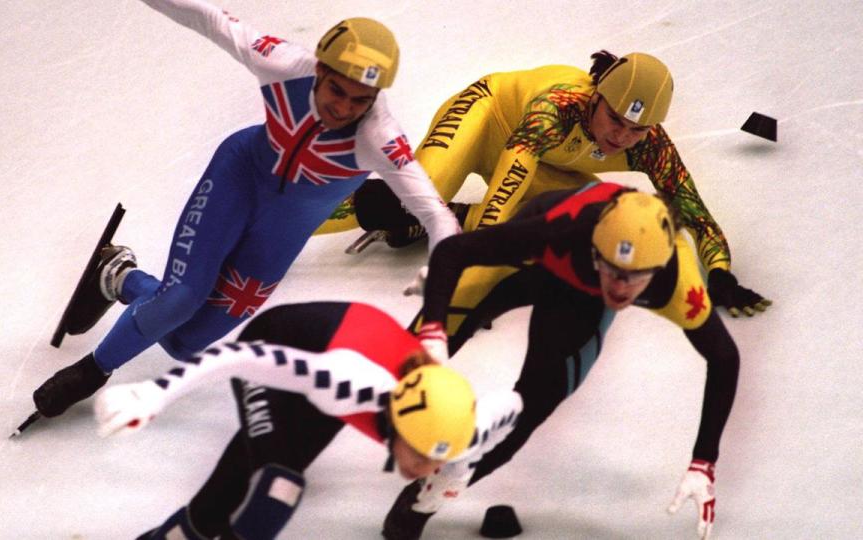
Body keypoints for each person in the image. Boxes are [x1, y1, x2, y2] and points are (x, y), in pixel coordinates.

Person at [28, 0, 460, 422]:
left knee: (184, 343)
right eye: (337, 91)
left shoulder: (380, 138)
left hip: (280, 233)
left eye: (361, 100)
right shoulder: (284, 64)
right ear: (321, 69)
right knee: (181, 298)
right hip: (238, 177)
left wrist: (437, 306)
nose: (345, 109)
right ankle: (90, 372)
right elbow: (209, 18)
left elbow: (439, 218)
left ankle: (119, 276)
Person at [382, 183, 739, 540]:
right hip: (537, 259)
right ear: (595, 249)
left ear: (658, 268)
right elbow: (452, 252)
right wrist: (435, 318)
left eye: (635, 278)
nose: (619, 288)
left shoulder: (676, 284)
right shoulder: (563, 230)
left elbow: (724, 358)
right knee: (403, 366)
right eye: (612, 269)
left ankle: (422, 500)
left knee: (532, 407)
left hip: (580, 300)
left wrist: (703, 461)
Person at [341, 50, 770, 320]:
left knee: (602, 224)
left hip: (541, 160)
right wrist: (485, 268)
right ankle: (336, 211)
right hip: (487, 116)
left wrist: (720, 274)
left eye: (637, 130)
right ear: (597, 97)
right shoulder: (560, 107)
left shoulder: (650, 145)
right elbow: (509, 181)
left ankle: (444, 216)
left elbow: (695, 213)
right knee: (413, 197)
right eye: (615, 120)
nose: (621, 137)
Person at [92, 301, 523, 539]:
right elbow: (239, 357)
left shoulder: (458, 431)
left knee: (256, 468)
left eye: (434, 460)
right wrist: (157, 392)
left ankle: (180, 533)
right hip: (278, 340)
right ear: (400, 425)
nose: (425, 470)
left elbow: (511, 406)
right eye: (424, 455)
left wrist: (448, 483)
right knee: (278, 484)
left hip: (341, 346)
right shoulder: (348, 384)